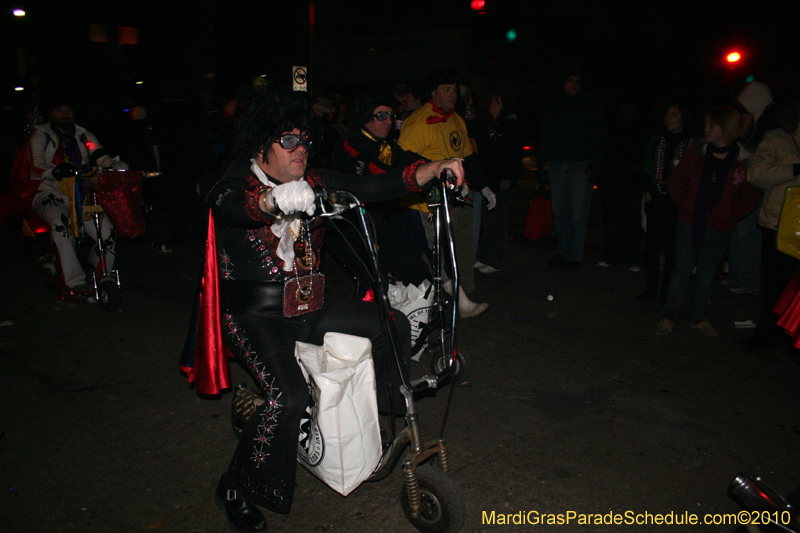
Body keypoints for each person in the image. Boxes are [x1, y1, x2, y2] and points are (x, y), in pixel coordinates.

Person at [190, 87, 464, 533]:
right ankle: (236, 486)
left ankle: (382, 407)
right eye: (288, 141)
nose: (301, 150)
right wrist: (270, 201)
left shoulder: (314, 180)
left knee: (391, 321)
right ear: (261, 146)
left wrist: (432, 170)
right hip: (254, 315)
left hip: (309, 305)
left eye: (305, 139)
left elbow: (372, 185)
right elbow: (226, 203)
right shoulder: (238, 182)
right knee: (290, 396)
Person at [656, 107, 761, 337]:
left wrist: (732, 214)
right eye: (706, 125)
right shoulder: (696, 154)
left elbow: (752, 194)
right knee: (681, 270)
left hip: (719, 227)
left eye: (711, 126)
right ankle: (669, 315)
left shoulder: (742, 161)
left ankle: (698, 316)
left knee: (706, 273)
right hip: (689, 222)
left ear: (726, 129)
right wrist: (686, 205)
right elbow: (675, 181)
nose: (706, 130)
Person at [398, 69, 492, 318]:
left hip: (455, 197)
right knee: (433, 252)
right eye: (447, 90)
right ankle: (457, 302)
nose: (453, 95)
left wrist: (483, 186)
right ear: (433, 93)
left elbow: (468, 157)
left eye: (454, 90)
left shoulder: (457, 119)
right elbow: (405, 161)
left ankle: (461, 291)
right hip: (426, 202)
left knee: (457, 243)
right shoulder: (418, 122)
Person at [329, 90, 430, 292]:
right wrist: (409, 178)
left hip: (373, 220)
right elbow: (374, 172)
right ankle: (370, 320)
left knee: (418, 270)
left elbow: (409, 160)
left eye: (391, 116)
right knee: (373, 281)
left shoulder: (387, 143)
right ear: (366, 116)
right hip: (346, 224)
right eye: (381, 116)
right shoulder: (351, 143)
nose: (388, 121)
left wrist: (435, 169)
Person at [27, 100, 128, 290]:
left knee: (105, 231)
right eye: (59, 109)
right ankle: (74, 280)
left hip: (80, 192)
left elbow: (98, 154)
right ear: (51, 114)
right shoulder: (40, 134)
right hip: (49, 191)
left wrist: (113, 164)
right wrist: (55, 171)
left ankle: (102, 271)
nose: (65, 113)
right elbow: (36, 164)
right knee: (61, 223)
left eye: (68, 109)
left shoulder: (82, 133)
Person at [539, 66, 608, 270]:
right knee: (560, 212)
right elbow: (546, 135)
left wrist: (597, 162)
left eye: (578, 81)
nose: (574, 85)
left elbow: (601, 134)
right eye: (571, 80)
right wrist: (543, 164)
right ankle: (562, 252)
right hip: (558, 164)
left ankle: (574, 256)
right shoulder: (554, 106)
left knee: (578, 213)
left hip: (581, 164)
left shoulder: (591, 104)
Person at [744, 98, 800, 348]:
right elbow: (756, 174)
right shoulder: (776, 137)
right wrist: (794, 170)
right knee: (777, 285)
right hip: (777, 223)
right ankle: (767, 335)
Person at [637, 102, 696, 302]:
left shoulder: (693, 142)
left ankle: (667, 292)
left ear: (683, 117)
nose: (670, 119)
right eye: (667, 115)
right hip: (658, 198)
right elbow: (647, 167)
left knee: (673, 249)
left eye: (674, 114)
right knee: (652, 247)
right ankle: (651, 289)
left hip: (679, 203)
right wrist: (649, 190)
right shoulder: (657, 139)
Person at [474, 92, 523, 273]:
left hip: (502, 181)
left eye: (497, 103)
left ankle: (496, 259)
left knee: (498, 219)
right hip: (489, 180)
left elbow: (512, 156)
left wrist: (507, 179)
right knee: (487, 219)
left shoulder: (510, 125)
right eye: (491, 102)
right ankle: (484, 256)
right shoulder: (488, 124)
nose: (492, 105)